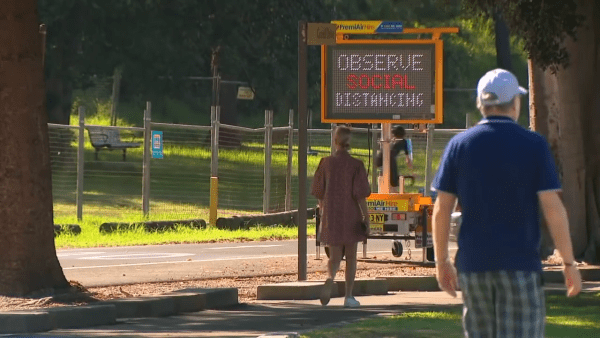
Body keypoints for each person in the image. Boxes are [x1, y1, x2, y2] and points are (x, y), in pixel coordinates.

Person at [431, 68, 582, 337]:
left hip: (473, 265)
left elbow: (442, 209)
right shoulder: (533, 144)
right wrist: (568, 263)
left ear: (481, 104)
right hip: (520, 263)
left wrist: (442, 260)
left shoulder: (459, 145)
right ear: (515, 103)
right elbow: (553, 208)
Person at [311, 126, 371, 308]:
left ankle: (330, 278)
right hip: (351, 215)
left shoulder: (325, 163)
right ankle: (349, 296)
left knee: (334, 258)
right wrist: (366, 218)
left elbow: (318, 192)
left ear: (334, 141)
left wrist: (323, 211)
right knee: (351, 257)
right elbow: (360, 195)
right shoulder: (356, 165)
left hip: (331, 215)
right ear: (349, 142)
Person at [376, 126, 413, 193]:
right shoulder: (399, 141)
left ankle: (391, 190)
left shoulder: (398, 141)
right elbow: (406, 153)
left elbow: (406, 153)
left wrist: (408, 160)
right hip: (388, 160)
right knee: (390, 179)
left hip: (386, 160)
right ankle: (391, 190)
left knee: (389, 178)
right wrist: (408, 160)